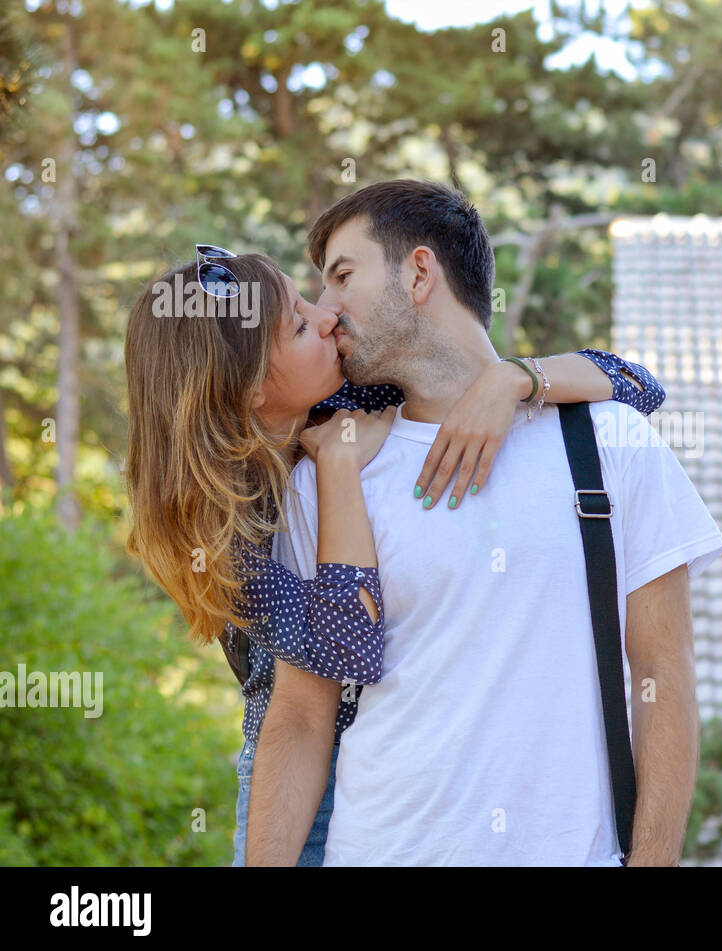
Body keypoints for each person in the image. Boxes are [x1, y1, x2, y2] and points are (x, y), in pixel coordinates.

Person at [122, 240, 668, 866]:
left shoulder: (349, 401)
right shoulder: (227, 535)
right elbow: (349, 647)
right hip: (307, 782)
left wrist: (512, 379)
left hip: (404, 767)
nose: (326, 316)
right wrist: (339, 467)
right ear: (246, 389)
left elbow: (638, 386)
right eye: (299, 324)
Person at [249, 179, 722, 866]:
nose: (325, 311)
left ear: (418, 272)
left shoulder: (609, 443)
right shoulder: (331, 466)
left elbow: (664, 674)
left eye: (342, 276)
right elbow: (300, 712)